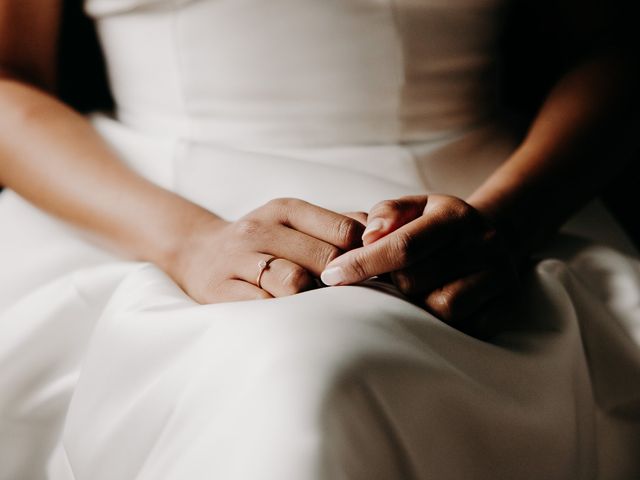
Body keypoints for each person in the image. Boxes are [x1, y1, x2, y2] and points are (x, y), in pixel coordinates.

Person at [1, 0, 639, 478]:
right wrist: (188, 243)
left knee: (325, 371)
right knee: (288, 378)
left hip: (472, 201)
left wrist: (510, 218)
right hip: (140, 203)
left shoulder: (496, 221)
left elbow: (615, 42)